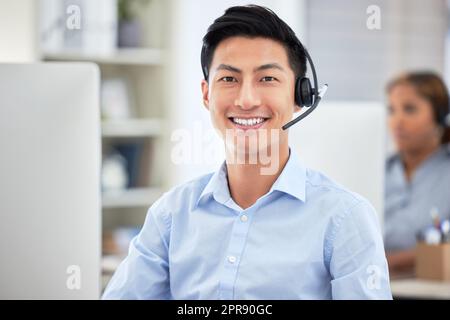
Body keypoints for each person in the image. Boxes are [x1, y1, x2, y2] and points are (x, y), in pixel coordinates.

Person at [103, 4, 391, 299]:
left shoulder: (345, 219)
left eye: (267, 79)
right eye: (229, 79)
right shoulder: (171, 216)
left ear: (299, 96)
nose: (246, 99)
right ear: (206, 94)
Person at [384, 71, 450, 274]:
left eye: (409, 109)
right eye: (392, 110)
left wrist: (389, 261)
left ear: (439, 116)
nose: (397, 121)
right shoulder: (381, 169)